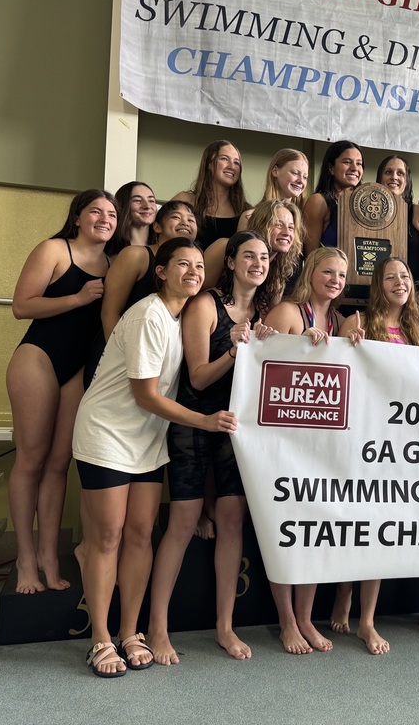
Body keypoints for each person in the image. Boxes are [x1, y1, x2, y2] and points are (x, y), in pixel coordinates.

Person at [72, 237, 237, 678]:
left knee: (142, 534)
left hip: (147, 440)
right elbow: (144, 394)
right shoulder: (147, 313)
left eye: (200, 266)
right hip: (107, 434)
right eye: (182, 264)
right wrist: (203, 422)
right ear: (161, 271)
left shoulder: (179, 318)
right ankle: (101, 640)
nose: (194, 271)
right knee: (108, 537)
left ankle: (131, 632)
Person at [152, 232, 276, 663]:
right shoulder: (205, 304)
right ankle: (157, 629)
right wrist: (237, 348)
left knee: (231, 519)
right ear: (232, 262)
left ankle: (225, 627)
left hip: (232, 427)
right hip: (192, 422)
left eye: (263, 257)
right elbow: (199, 377)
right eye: (249, 256)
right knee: (183, 521)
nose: (257, 263)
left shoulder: (264, 312)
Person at [6, 189, 116, 595]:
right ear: (77, 217)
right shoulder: (55, 249)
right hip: (39, 357)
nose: (104, 219)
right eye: (95, 212)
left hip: (78, 368)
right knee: (31, 460)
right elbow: (21, 305)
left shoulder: (114, 262)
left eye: (111, 214)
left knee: (58, 462)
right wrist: (77, 297)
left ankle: (49, 557)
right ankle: (24, 559)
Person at [337, 256, 419, 654]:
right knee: (357, 525)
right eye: (390, 277)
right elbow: (337, 372)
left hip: (400, 443)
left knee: (379, 530)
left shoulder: (414, 328)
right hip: (364, 438)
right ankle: (343, 598)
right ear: (378, 284)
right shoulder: (356, 320)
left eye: (405, 276)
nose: (399, 282)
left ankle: (367, 620)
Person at [265, 247, 349, 653]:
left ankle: (306, 618)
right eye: (328, 271)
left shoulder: (340, 321)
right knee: (285, 533)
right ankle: (287, 622)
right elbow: (263, 367)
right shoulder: (288, 312)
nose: (335, 280)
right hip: (283, 442)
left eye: (342, 275)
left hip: (321, 444)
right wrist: (300, 345)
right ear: (312, 272)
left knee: (314, 535)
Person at [84, 199, 200, 388]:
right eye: (176, 217)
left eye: (191, 219)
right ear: (157, 226)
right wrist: (120, 358)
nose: (185, 222)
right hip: (118, 357)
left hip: (155, 362)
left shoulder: (193, 272)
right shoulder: (136, 255)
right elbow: (109, 312)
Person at [204, 199, 305, 303]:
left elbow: (270, 314)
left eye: (291, 227)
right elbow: (195, 291)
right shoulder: (223, 247)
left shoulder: (277, 274)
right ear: (260, 224)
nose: (287, 233)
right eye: (278, 225)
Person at [377, 156, 419, 300]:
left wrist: (418, 298)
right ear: (379, 178)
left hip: (413, 296)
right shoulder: (370, 216)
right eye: (388, 172)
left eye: (400, 173)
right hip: (377, 296)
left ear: (407, 181)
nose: (394, 177)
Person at [179, 140, 250, 250]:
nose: (232, 166)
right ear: (209, 164)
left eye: (236, 163)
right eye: (224, 159)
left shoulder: (246, 212)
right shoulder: (184, 201)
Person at [302, 141, 363, 255]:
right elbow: (311, 257)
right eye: (347, 162)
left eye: (359, 163)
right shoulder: (318, 202)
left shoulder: (364, 206)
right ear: (331, 168)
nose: (355, 168)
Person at [237, 148, 309, 231]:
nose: (301, 181)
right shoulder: (250, 218)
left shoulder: (303, 221)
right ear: (275, 171)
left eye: (305, 177)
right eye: (295, 173)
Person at [109, 181, 158, 254]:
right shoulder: (109, 250)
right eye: (137, 200)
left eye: (151, 201)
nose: (147, 206)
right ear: (123, 205)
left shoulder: (163, 248)